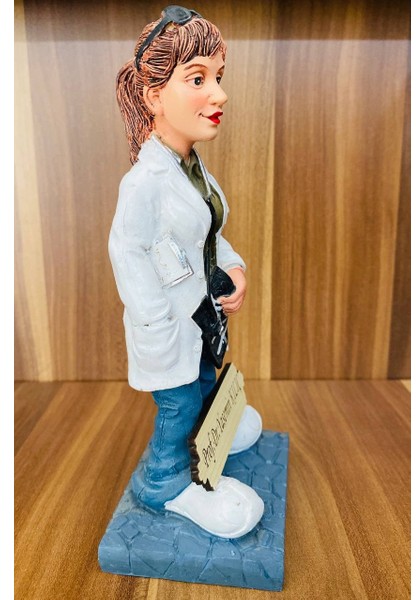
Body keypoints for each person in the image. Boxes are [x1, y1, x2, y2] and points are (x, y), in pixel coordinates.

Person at [109, 5, 263, 538]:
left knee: (201, 381)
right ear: (153, 97)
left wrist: (233, 267)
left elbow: (207, 236)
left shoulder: (191, 168)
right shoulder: (144, 183)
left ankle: (208, 438)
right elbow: (127, 253)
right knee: (176, 403)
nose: (219, 94)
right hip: (170, 324)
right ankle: (165, 482)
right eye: (197, 79)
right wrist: (158, 323)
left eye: (218, 77)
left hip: (199, 314)